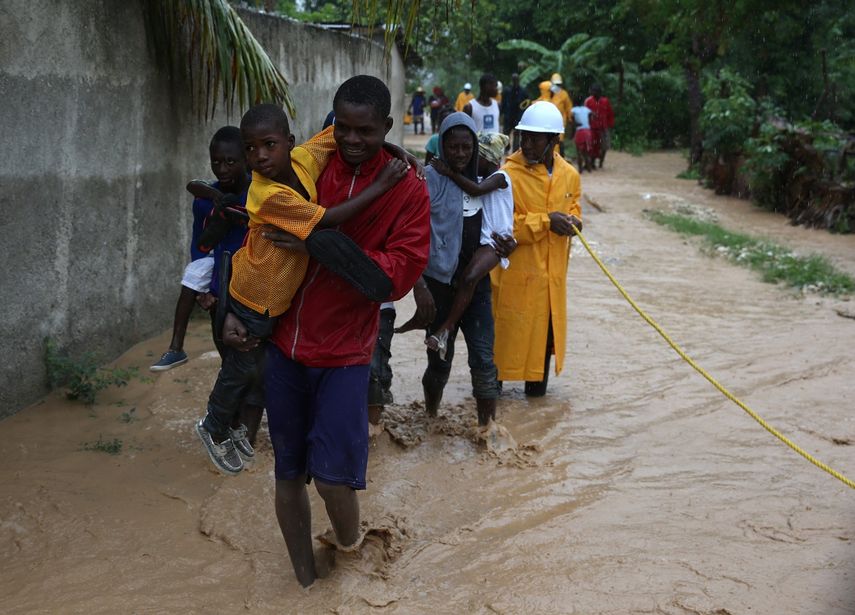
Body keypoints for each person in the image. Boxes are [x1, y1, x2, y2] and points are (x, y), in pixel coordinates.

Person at [259, 75, 431, 588]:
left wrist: (313, 242)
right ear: (331, 124)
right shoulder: (307, 164)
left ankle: (352, 554)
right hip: (283, 346)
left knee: (334, 477)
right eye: (344, 128)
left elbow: (388, 278)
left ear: (387, 127)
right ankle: (306, 584)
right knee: (287, 473)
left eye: (367, 131)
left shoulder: (409, 190)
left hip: (346, 353)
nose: (353, 140)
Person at [195, 103, 409, 476]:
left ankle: (236, 432)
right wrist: (381, 185)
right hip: (252, 299)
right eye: (250, 148)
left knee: (257, 371)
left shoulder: (302, 159)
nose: (259, 156)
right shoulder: (268, 195)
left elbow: (336, 134)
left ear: (290, 143)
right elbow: (327, 219)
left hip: (267, 298)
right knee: (241, 368)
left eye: (269, 144)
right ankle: (213, 426)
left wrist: (395, 150)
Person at [400, 113, 506, 427]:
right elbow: (407, 233)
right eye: (453, 147)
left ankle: (488, 431)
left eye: (466, 147)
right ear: (443, 146)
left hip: (476, 287)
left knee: (484, 360)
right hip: (439, 287)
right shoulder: (427, 178)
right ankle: (431, 418)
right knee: (439, 363)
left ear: (475, 148)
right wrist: (418, 285)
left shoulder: (486, 180)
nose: (460, 154)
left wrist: (508, 241)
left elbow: (506, 222)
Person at [491, 101, 582, 397]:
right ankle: (490, 409)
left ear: (553, 141)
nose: (526, 144)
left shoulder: (570, 175)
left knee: (543, 342)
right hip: (514, 277)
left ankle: (535, 413)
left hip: (550, 281)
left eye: (534, 138)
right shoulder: (508, 175)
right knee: (502, 344)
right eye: (523, 137)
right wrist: (545, 222)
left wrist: (576, 221)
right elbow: (501, 227)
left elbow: (575, 208)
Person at [150, 127, 251, 372]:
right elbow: (199, 245)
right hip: (219, 273)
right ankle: (176, 348)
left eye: (230, 162)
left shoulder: (260, 194)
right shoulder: (206, 201)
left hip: (250, 281)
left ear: (246, 159)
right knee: (193, 277)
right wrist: (203, 290)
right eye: (216, 162)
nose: (222, 169)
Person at [422, 132, 514, 381]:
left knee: (470, 277)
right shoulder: (478, 177)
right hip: (483, 242)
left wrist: (448, 172)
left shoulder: (500, 177)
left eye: (475, 154)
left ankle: (447, 327)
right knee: (468, 279)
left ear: (488, 158)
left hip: (495, 243)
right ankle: (445, 330)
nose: (469, 158)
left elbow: (475, 189)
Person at [585, 83, 615, 169]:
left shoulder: (605, 101)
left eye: (594, 91)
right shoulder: (588, 101)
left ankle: (601, 162)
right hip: (592, 128)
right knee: (593, 146)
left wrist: (610, 124)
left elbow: (610, 113)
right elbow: (586, 113)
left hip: (603, 127)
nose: (593, 93)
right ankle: (593, 163)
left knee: (604, 146)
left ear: (599, 92)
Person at [501, 73, 527, 152]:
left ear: (518, 80)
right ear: (512, 80)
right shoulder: (507, 90)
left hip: (518, 117)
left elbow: (526, 103)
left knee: (516, 135)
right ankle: (507, 147)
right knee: (506, 134)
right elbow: (503, 103)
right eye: (514, 79)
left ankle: (515, 151)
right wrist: (502, 113)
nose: (515, 81)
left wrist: (523, 115)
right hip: (508, 116)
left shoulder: (523, 91)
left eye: (516, 79)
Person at [550, 73, 573, 158]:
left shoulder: (564, 94)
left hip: (560, 121)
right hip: (548, 121)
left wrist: (570, 118)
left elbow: (568, 107)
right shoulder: (548, 93)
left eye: (559, 84)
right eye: (556, 84)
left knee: (560, 140)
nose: (557, 86)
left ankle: (561, 158)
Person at [570, 103, 595, 172]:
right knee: (586, 151)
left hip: (580, 131)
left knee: (579, 152)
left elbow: (572, 121)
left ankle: (580, 169)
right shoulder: (587, 109)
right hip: (588, 131)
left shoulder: (573, 110)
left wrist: (575, 124)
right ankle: (589, 168)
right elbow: (593, 115)